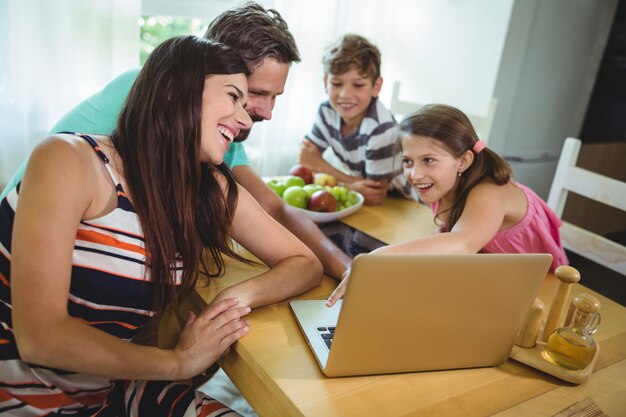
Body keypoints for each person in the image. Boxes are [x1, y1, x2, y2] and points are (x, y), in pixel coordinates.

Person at [0, 35, 322, 416]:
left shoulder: (207, 186)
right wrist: (179, 362)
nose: (245, 116)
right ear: (173, 91)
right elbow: (42, 339)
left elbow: (304, 263)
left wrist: (230, 303)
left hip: (106, 394)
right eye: (233, 96)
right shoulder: (68, 159)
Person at [0, 1, 351, 280]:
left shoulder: (216, 127)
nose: (265, 112)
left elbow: (272, 207)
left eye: (275, 97)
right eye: (254, 94)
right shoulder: (147, 100)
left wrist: (347, 267)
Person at [327, 104, 568, 306]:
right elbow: (450, 234)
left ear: (463, 160)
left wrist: (376, 258)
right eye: (408, 161)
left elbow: (462, 242)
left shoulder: (490, 191)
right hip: (492, 281)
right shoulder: (445, 184)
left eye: (429, 160)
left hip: (540, 296)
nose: (415, 174)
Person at [299, 34, 415, 205]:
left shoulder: (381, 129)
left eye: (358, 85)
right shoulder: (327, 111)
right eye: (337, 84)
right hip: (375, 204)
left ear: (376, 87)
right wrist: (353, 184)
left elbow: (374, 193)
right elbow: (305, 159)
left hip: (404, 202)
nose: (345, 95)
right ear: (326, 83)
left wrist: (321, 166)